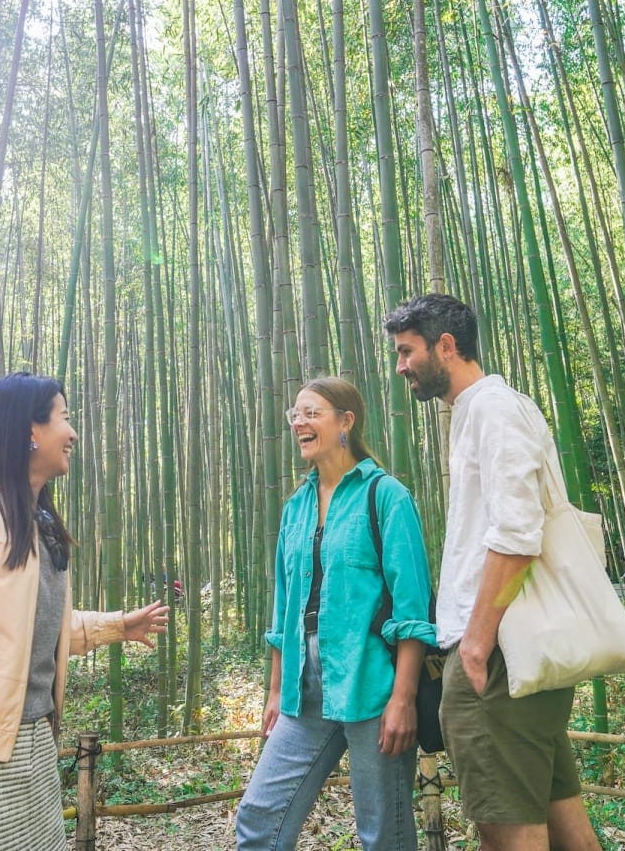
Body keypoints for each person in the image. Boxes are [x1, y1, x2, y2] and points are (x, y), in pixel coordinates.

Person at [0, 372, 169, 851]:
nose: (74, 433)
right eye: (65, 418)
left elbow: (26, 632)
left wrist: (115, 627)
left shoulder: (37, 522)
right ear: (30, 430)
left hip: (32, 751)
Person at [383, 295, 602, 851]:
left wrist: (476, 644)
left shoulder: (491, 409)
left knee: (508, 832)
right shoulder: (485, 410)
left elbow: (517, 534)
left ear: (447, 346)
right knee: (567, 830)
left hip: (500, 652)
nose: (401, 365)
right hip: (512, 653)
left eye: (407, 352)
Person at [236, 377, 436, 851]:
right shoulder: (296, 507)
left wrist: (403, 698)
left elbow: (412, 609)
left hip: (373, 684)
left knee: (383, 834)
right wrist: (274, 689)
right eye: (295, 415)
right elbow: (285, 608)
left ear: (346, 422)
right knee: (259, 819)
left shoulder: (386, 496)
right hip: (304, 690)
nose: (298, 422)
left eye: (312, 413)